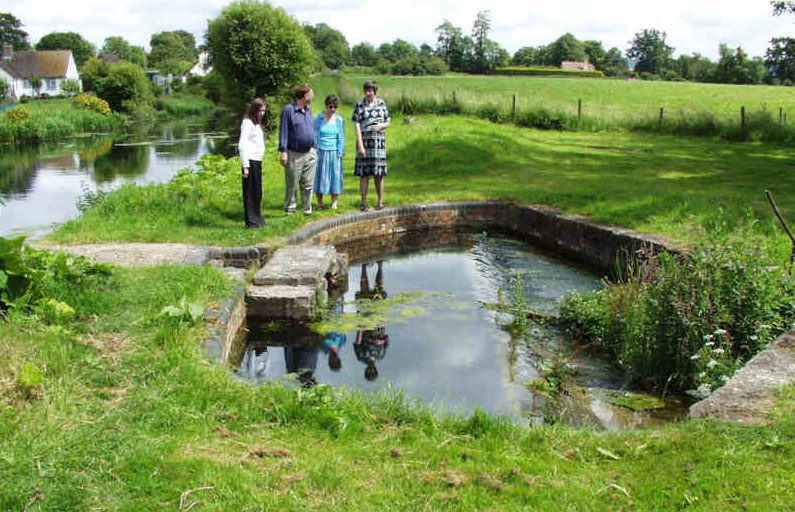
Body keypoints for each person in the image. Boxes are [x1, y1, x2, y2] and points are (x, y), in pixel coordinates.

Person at [279, 84, 317, 216]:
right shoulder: (288, 110)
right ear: (305, 95)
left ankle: (307, 209)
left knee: (308, 183)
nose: (313, 96)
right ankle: (290, 210)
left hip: (310, 152)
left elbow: (311, 129)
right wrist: (283, 151)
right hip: (294, 153)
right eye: (311, 94)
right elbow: (283, 131)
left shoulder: (309, 111)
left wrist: (314, 146)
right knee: (292, 183)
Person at [352, 80, 390, 212]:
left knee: (379, 174)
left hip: (378, 143)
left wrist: (381, 126)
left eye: (370, 91)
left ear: (375, 91)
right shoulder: (360, 105)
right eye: (366, 91)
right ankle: (363, 203)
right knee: (364, 174)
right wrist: (360, 145)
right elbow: (356, 124)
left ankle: (380, 202)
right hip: (365, 142)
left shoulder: (381, 104)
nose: (368, 93)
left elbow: (388, 121)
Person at [313, 94, 345, 211]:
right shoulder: (318, 119)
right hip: (321, 152)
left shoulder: (339, 120)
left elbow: (341, 136)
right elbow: (315, 135)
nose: (332, 109)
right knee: (320, 176)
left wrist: (340, 152)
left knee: (335, 177)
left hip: (335, 152)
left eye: (335, 107)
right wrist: (315, 151)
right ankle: (319, 202)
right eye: (330, 107)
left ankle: (334, 203)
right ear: (326, 106)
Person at [238, 97, 266, 228]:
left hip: (257, 160)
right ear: (254, 110)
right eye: (260, 111)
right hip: (250, 161)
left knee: (257, 191)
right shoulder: (247, 123)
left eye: (264, 111)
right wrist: (245, 166)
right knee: (250, 192)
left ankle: (257, 217)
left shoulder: (256, 124)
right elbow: (242, 145)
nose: (262, 113)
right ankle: (251, 221)